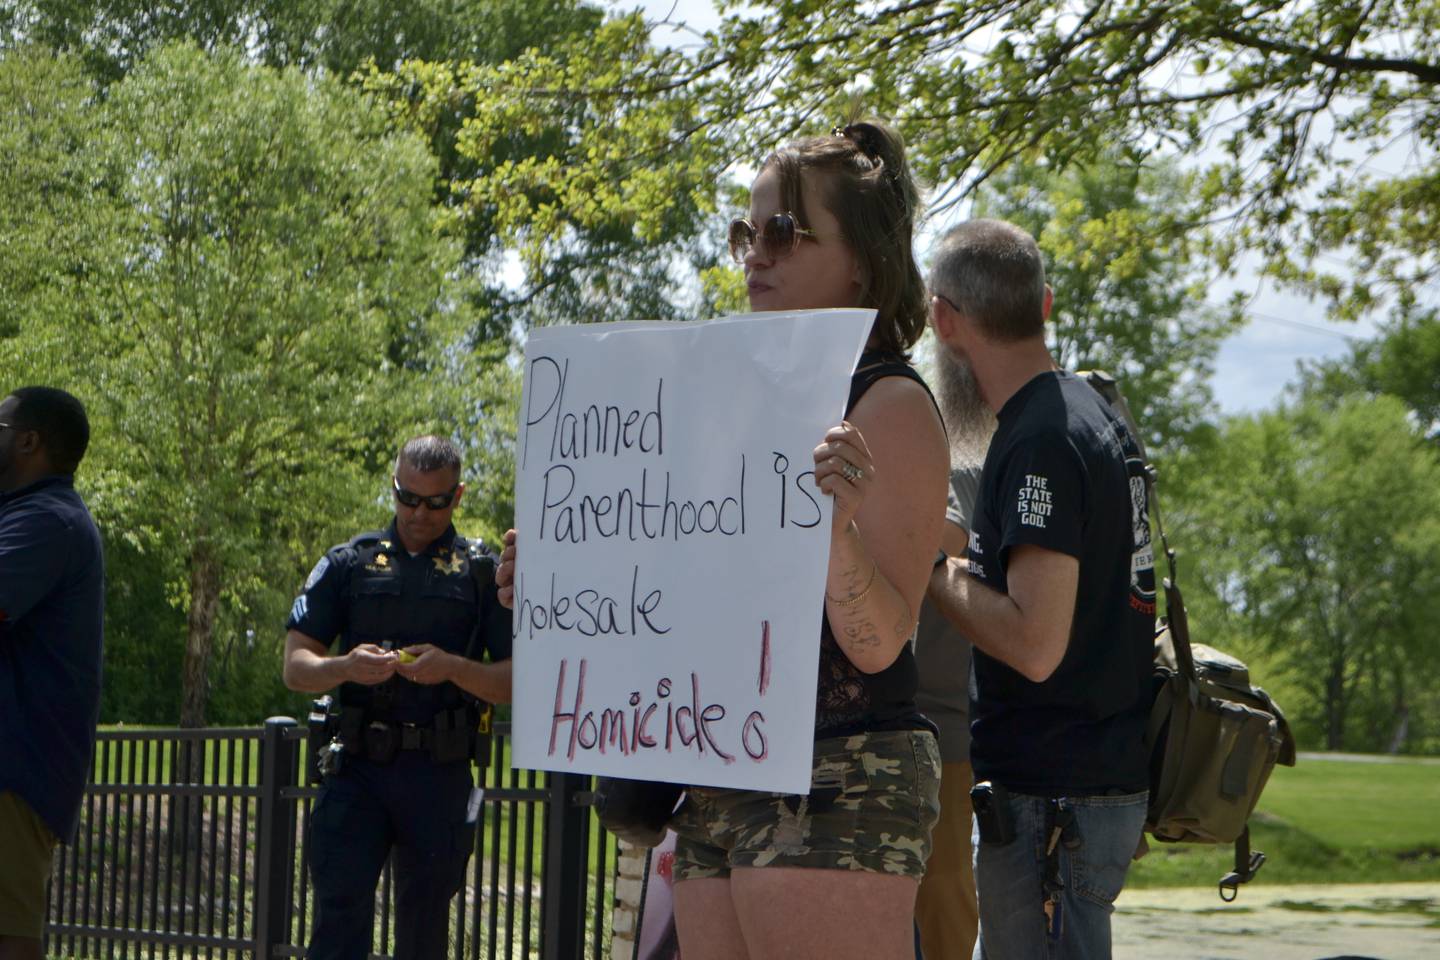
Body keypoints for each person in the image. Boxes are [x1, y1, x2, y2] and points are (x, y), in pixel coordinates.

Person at [497, 119, 949, 960]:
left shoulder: (889, 406)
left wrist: (838, 535)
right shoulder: (724, 400)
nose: (755, 253)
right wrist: (561, 582)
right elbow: (675, 599)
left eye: (782, 231)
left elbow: (881, 642)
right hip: (716, 777)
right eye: (747, 232)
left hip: (838, 775)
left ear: (863, 258)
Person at [925, 220, 1155, 960]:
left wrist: (931, 569)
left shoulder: (1041, 441)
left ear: (943, 319)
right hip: (1081, 791)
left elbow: (1034, 644)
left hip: (1054, 804)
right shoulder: (1087, 417)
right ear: (1044, 304)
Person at [283, 435, 513, 960]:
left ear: (458, 496)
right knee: (338, 918)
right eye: (407, 497)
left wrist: (452, 668)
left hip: (438, 773)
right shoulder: (350, 562)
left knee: (423, 926)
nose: (418, 513)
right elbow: (296, 667)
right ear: (394, 487)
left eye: (434, 501)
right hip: (359, 768)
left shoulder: (483, 571)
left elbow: (516, 680)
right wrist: (346, 667)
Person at [0, 387, 104, 960]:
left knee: (7, 932)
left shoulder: (49, 522)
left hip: (13, 772)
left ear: (28, 441)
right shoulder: (21, 517)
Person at [912, 466, 982, 960]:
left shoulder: (958, 459)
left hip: (942, 734)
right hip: (919, 728)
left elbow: (948, 533)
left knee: (944, 914)